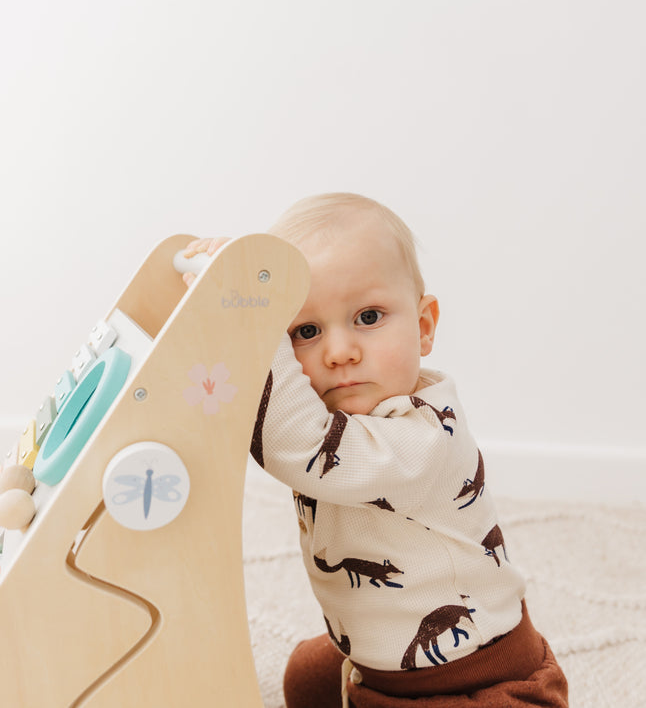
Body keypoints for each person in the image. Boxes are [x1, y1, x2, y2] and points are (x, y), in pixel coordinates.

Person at [183, 193, 568, 707]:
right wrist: (224, 305)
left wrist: (254, 320)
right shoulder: (338, 420)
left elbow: (298, 444)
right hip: (374, 660)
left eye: (368, 316)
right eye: (305, 331)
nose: (340, 352)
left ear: (424, 326)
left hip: (480, 678)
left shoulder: (426, 438)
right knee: (304, 675)